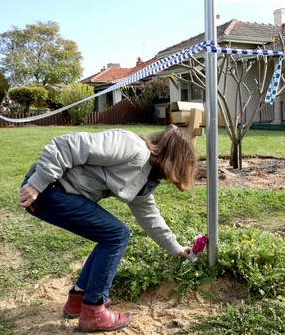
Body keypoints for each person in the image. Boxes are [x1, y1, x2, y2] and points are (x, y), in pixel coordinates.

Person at [18, 126, 197, 332]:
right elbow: (67, 145)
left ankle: (79, 299)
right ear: (175, 158)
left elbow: (150, 217)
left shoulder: (145, 176)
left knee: (111, 235)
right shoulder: (131, 147)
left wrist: (176, 247)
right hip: (47, 190)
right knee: (116, 235)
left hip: (58, 193)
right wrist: (37, 183)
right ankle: (94, 310)